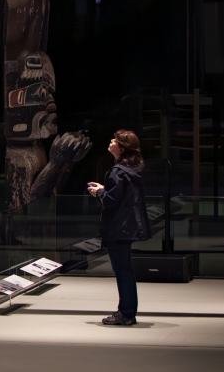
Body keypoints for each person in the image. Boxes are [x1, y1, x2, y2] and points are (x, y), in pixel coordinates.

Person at [87, 129, 150, 326]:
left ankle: (126, 313)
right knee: (126, 271)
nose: (111, 141)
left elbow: (112, 201)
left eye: (114, 140)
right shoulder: (131, 170)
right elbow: (121, 196)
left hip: (118, 227)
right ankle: (128, 312)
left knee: (122, 271)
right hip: (128, 227)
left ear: (121, 148)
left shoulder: (117, 172)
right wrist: (105, 189)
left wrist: (99, 193)